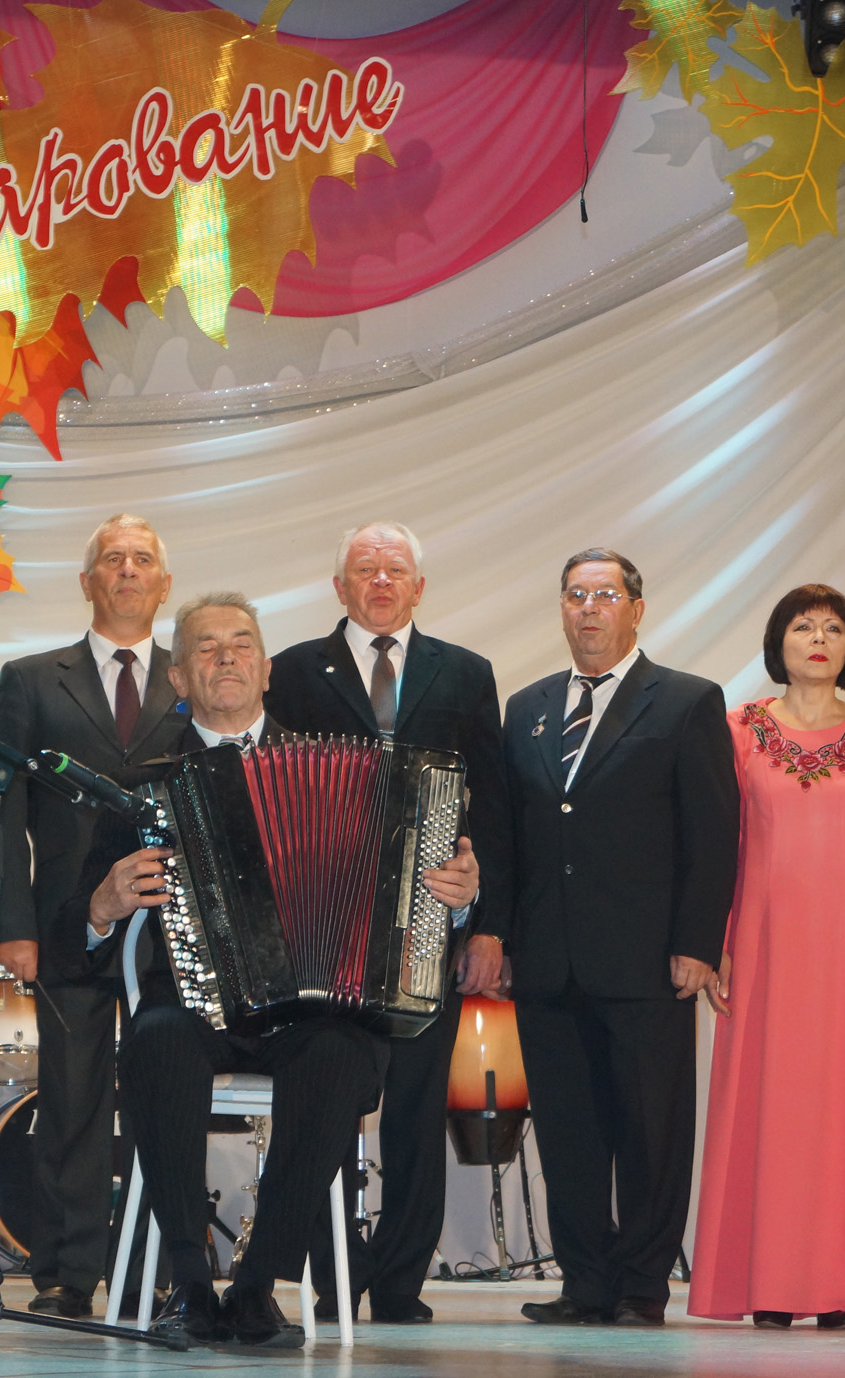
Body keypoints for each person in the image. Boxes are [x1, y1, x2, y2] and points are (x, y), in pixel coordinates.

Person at [69, 592, 480, 1348]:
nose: (226, 657)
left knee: (342, 1054)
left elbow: (413, 895)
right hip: (191, 1011)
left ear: (265, 671)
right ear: (178, 679)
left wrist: (456, 899)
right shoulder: (143, 786)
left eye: (242, 644)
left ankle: (258, 1285)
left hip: (313, 1014)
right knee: (155, 1043)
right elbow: (82, 932)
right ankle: (189, 1284)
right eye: (205, 647)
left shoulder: (356, 771)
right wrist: (103, 905)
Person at [263, 521, 511, 1323]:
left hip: (429, 922)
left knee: (413, 1106)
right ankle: (335, 1271)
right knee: (327, 1100)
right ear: (338, 587)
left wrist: (487, 924)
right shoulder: (290, 671)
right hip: (323, 928)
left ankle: (401, 1280)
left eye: (393, 570)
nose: (379, 582)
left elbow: (495, 808)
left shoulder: (464, 673)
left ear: (418, 587)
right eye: (363, 570)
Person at [496, 549, 738, 1329]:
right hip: (547, 961)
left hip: (646, 961)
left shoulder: (686, 701)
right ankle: (584, 1284)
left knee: (649, 1134)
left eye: (605, 594)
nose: (589, 608)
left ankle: (640, 1286)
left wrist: (697, 941)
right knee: (568, 1133)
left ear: (636, 608)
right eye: (575, 594)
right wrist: (500, 938)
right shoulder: (526, 707)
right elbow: (509, 834)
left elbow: (712, 834)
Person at [690, 583, 845, 1331]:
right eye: (802, 627)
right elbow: (720, 844)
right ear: (777, 643)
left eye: (832, 628)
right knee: (772, 1108)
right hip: (764, 945)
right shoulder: (739, 728)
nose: (818, 639)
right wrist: (718, 942)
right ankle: (769, 1282)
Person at [0, 513, 176, 1320]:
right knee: (71, 1101)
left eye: (142, 559)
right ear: (87, 581)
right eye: (112, 559)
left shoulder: (194, 678)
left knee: (165, 1096)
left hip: (172, 930)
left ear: (163, 583)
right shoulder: (29, 679)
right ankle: (65, 1274)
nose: (127, 570)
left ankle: (161, 1268)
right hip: (67, 925)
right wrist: (13, 926)